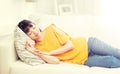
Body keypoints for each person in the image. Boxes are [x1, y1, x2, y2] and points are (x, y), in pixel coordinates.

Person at [18, 19, 120, 68]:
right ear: (27, 36)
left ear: (36, 25)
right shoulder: (38, 48)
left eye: (34, 28)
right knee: (112, 61)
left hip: (88, 44)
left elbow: (70, 45)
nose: (35, 32)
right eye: (30, 33)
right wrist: (35, 52)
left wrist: (49, 53)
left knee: (117, 53)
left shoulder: (50, 29)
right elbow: (55, 61)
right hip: (83, 60)